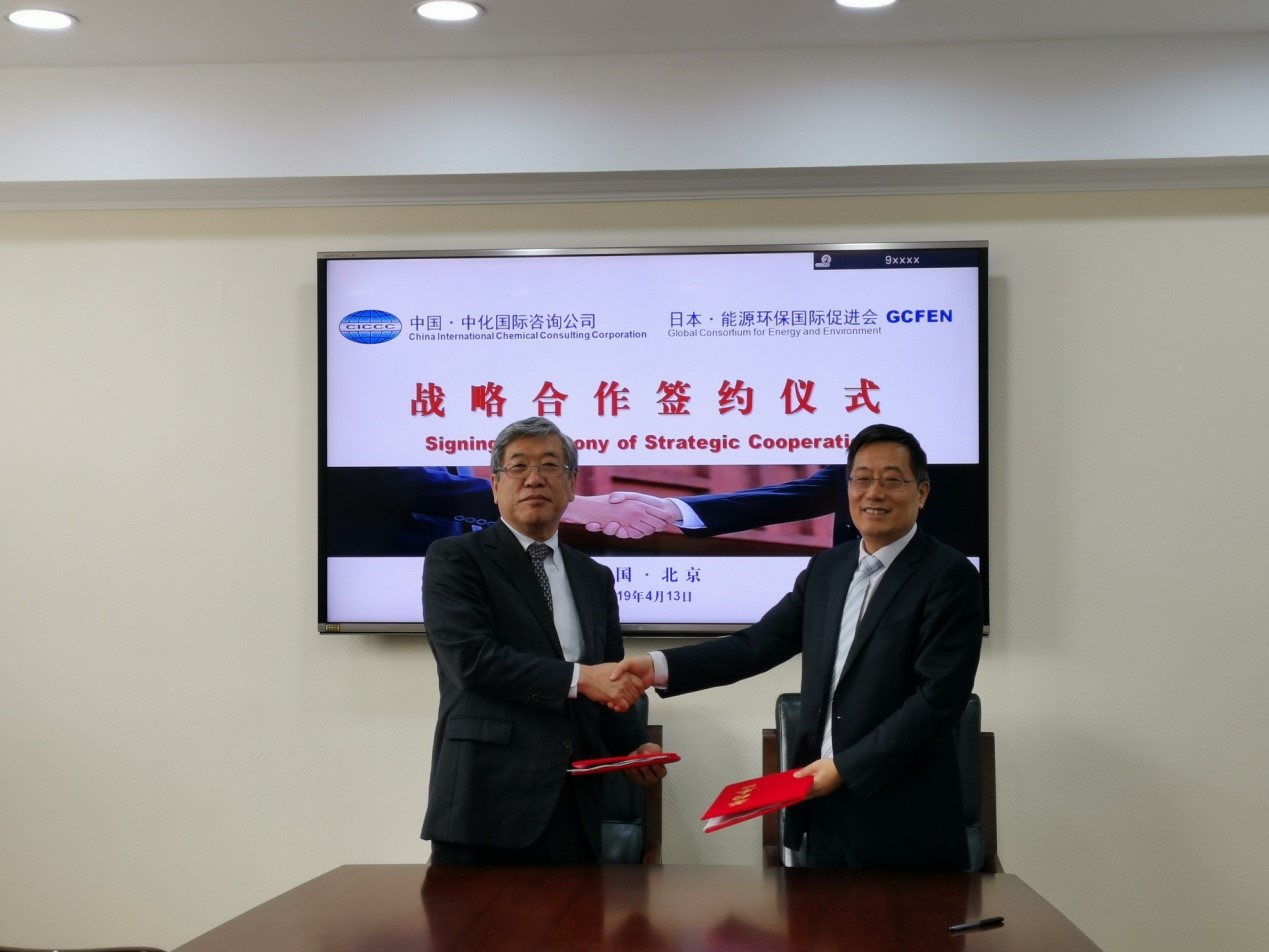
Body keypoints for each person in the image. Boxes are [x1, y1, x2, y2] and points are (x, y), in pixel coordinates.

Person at [615, 423, 983, 870]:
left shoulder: (950, 576)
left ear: (921, 492)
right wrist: (655, 667)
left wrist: (844, 768)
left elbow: (937, 701)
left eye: (892, 480)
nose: (874, 493)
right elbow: (755, 646)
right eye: (862, 479)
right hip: (822, 810)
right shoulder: (827, 569)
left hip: (905, 819)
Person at [421, 416, 664, 865]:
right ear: (495, 486)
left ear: (571, 486)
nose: (534, 478)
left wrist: (634, 745)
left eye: (550, 465)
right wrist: (580, 678)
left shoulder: (595, 578)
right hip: (485, 802)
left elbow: (608, 680)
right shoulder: (455, 558)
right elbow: (472, 661)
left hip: (574, 804)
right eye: (518, 466)